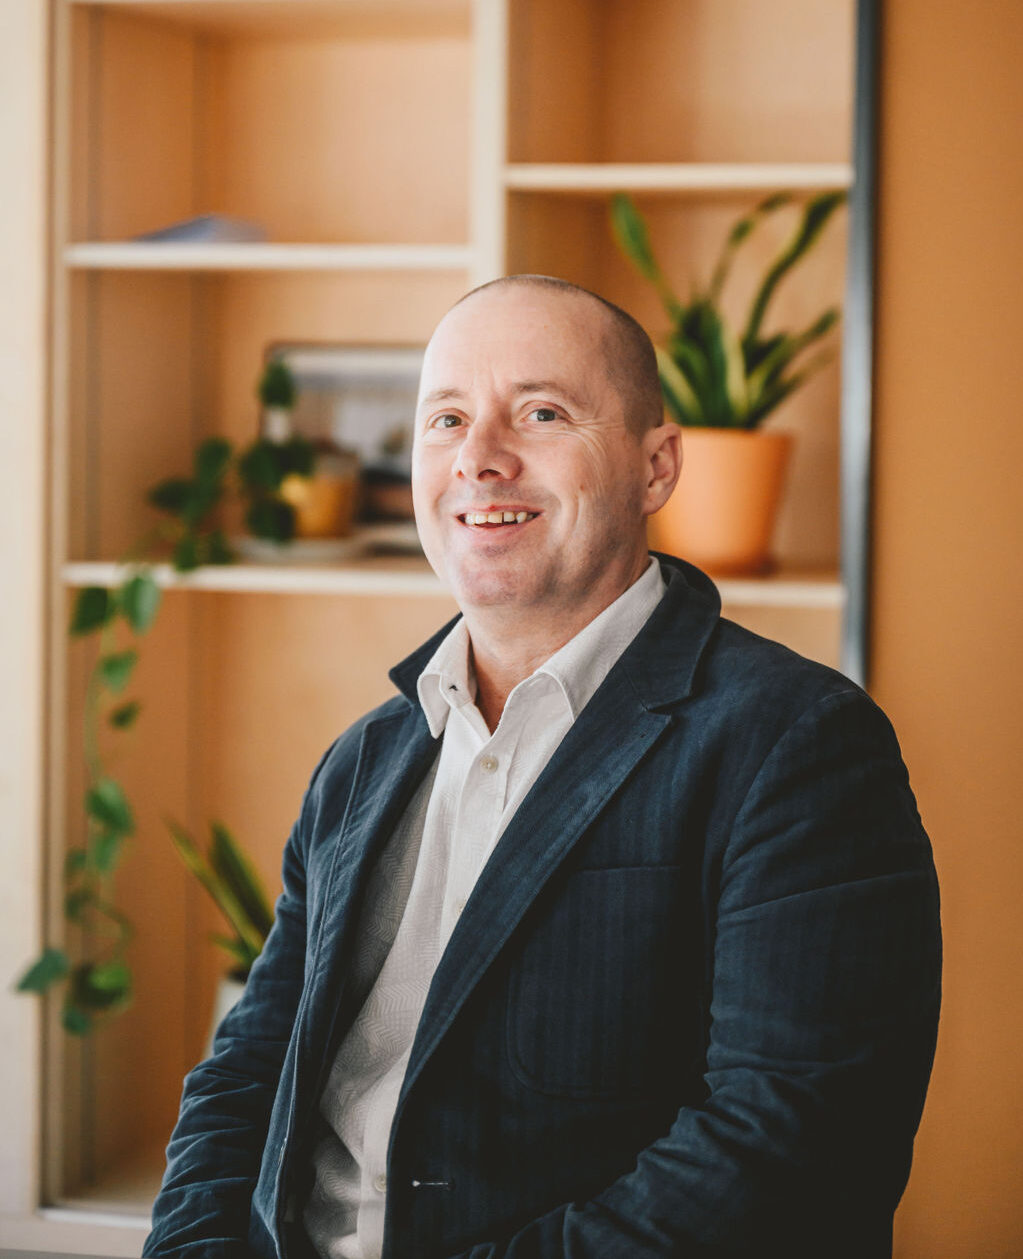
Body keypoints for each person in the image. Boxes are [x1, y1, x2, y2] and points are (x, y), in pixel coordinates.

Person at [144, 276, 941, 1259]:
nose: (479, 457)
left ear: (656, 466)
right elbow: (250, 1067)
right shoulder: (363, 758)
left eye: (542, 412)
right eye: (445, 418)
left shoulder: (798, 742)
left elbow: (790, 1153)